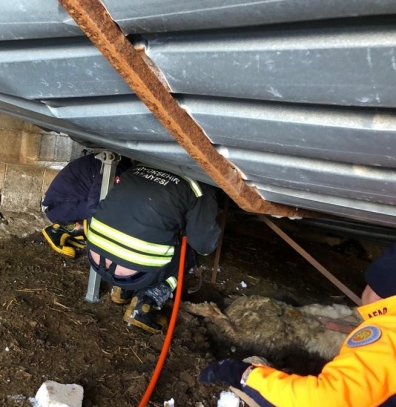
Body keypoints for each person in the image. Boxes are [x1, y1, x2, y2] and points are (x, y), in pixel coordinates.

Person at [199, 243, 396, 407]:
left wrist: (244, 374)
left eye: (370, 283)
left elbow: (324, 400)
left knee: (258, 366)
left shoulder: (387, 336)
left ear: (379, 293)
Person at [86, 163, 221, 333]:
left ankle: (121, 292)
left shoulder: (138, 167)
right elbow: (203, 245)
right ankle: (144, 306)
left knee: (138, 231)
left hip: (95, 257)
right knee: (187, 255)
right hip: (134, 274)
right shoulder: (200, 187)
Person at [41, 153, 132, 259]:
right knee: (112, 214)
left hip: (67, 204)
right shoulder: (116, 166)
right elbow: (96, 204)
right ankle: (57, 231)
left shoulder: (120, 161)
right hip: (61, 208)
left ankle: (77, 235)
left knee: (116, 211)